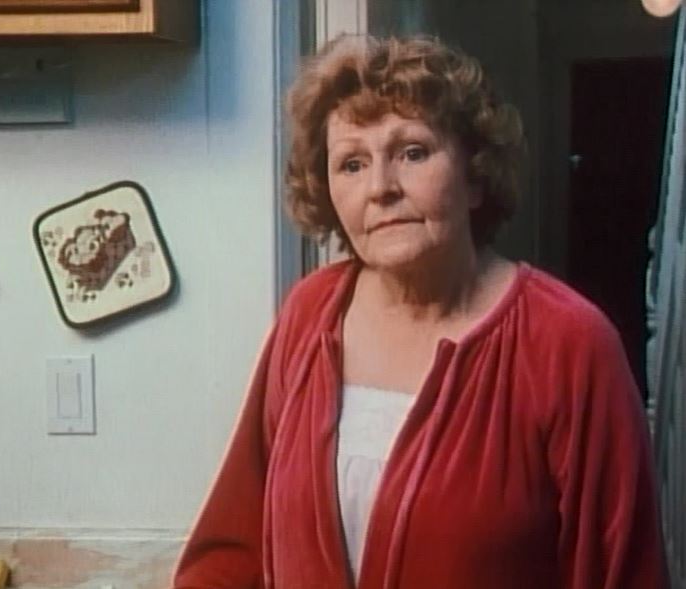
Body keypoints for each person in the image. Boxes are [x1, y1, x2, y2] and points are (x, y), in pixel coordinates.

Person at [171, 35, 669, 588]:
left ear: (475, 175)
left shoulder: (569, 343)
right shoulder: (311, 314)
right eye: (352, 164)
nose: (380, 189)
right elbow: (231, 550)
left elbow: (625, 573)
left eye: (412, 153)